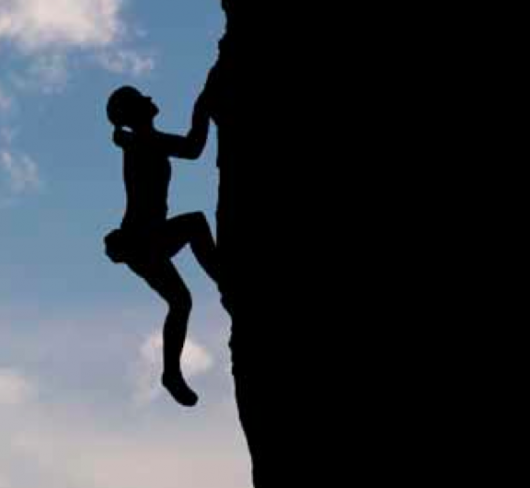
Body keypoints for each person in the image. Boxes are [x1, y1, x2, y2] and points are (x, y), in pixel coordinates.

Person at [104, 85, 217, 407]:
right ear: (134, 112)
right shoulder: (144, 142)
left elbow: (189, 147)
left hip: (142, 241)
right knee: (195, 223)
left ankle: (170, 373)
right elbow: (194, 148)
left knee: (181, 302)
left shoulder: (140, 141)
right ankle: (225, 278)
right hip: (143, 238)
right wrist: (203, 106)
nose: (151, 99)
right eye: (142, 99)